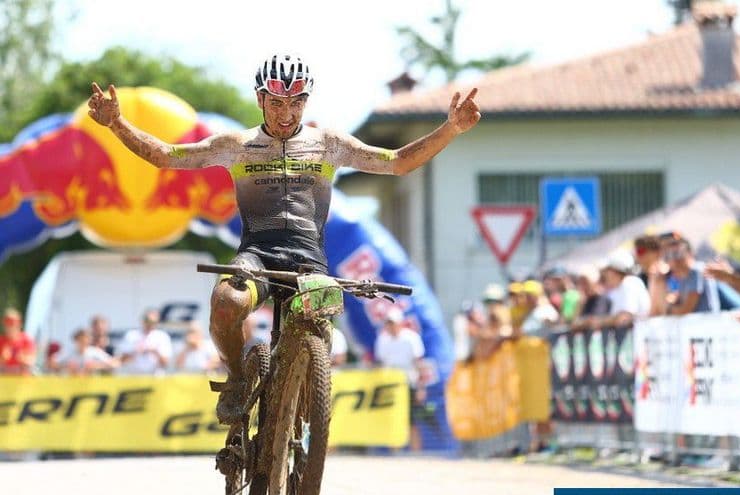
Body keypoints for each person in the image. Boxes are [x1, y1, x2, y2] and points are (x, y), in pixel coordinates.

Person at [88, 54, 480, 423]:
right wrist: (117, 124)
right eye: (276, 102)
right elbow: (166, 156)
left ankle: (308, 399)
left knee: (320, 325)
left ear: (306, 100)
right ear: (260, 98)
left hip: (310, 262)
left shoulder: (329, 143)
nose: (286, 113)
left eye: (296, 102)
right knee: (226, 302)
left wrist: (451, 129)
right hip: (256, 256)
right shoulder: (235, 146)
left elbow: (397, 163)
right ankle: (239, 380)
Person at [374, 309, 426, 451]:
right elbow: (380, 364)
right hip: (390, 385)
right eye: (388, 323)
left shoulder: (411, 338)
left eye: (393, 323)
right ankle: (395, 453)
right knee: (392, 419)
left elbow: (419, 364)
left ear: (400, 323)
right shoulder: (382, 340)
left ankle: (416, 453)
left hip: (409, 383)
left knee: (411, 421)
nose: (390, 326)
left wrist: (421, 387)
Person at [650, 234, 720, 315]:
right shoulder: (684, 275)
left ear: (687, 252)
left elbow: (685, 310)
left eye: (676, 254)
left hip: (706, 322)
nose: (673, 259)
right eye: (668, 256)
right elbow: (675, 301)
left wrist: (666, 309)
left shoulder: (696, 271)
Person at [593, 250, 651, 327]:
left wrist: (597, 322)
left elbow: (624, 318)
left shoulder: (630, 282)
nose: (604, 274)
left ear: (615, 271)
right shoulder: (616, 289)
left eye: (607, 270)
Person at [116, 309, 172, 374]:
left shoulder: (162, 336)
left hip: (155, 376)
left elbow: (165, 363)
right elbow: (121, 360)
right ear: (142, 321)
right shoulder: (131, 335)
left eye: (153, 322)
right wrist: (135, 351)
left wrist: (154, 351)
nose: (150, 324)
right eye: (147, 321)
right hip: (133, 376)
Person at [50, 328, 117, 375]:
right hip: (71, 387)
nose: (83, 342)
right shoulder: (68, 352)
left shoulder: (95, 352)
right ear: (76, 340)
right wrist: (66, 367)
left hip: (92, 387)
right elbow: (51, 364)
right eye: (81, 340)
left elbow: (114, 364)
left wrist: (96, 366)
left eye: (86, 339)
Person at [0, 308, 36, 375]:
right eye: (7, 326)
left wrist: (21, 358)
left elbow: (32, 361)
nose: (10, 329)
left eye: (12, 325)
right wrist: (3, 358)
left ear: (19, 325)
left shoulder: (26, 340)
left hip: (21, 380)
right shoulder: (1, 340)